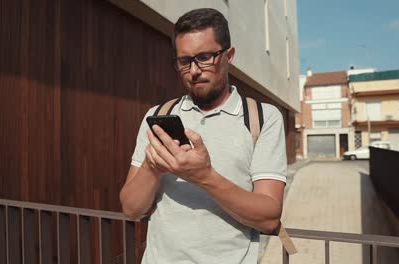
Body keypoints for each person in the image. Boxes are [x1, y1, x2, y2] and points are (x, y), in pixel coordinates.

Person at [120, 8, 287, 264]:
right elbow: (131, 209)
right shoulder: (159, 115)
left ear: (229, 56)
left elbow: (269, 217)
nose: (194, 71)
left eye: (205, 57)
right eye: (184, 61)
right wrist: (153, 166)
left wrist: (204, 176)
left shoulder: (262, 118)